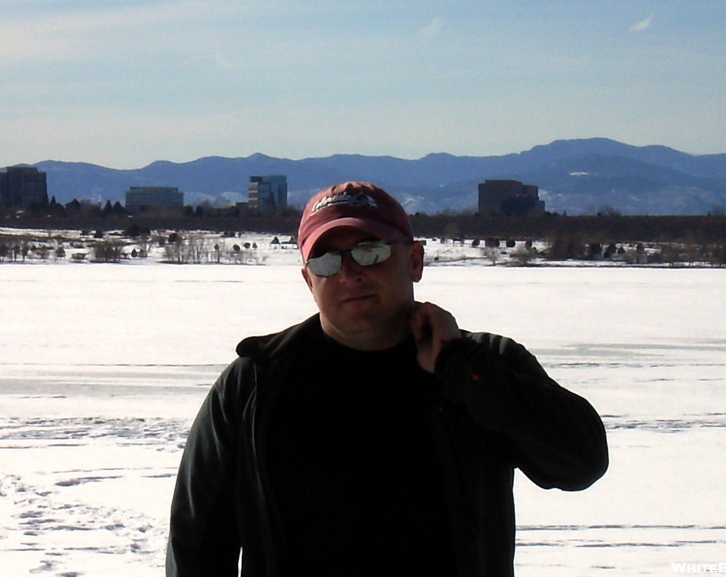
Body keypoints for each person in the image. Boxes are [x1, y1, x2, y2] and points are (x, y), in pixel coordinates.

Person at [166, 182, 608, 577]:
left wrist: (465, 370)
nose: (349, 273)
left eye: (369, 251)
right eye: (325, 261)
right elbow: (198, 540)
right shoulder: (256, 383)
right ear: (308, 279)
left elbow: (579, 462)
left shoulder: (484, 365)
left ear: (414, 260)